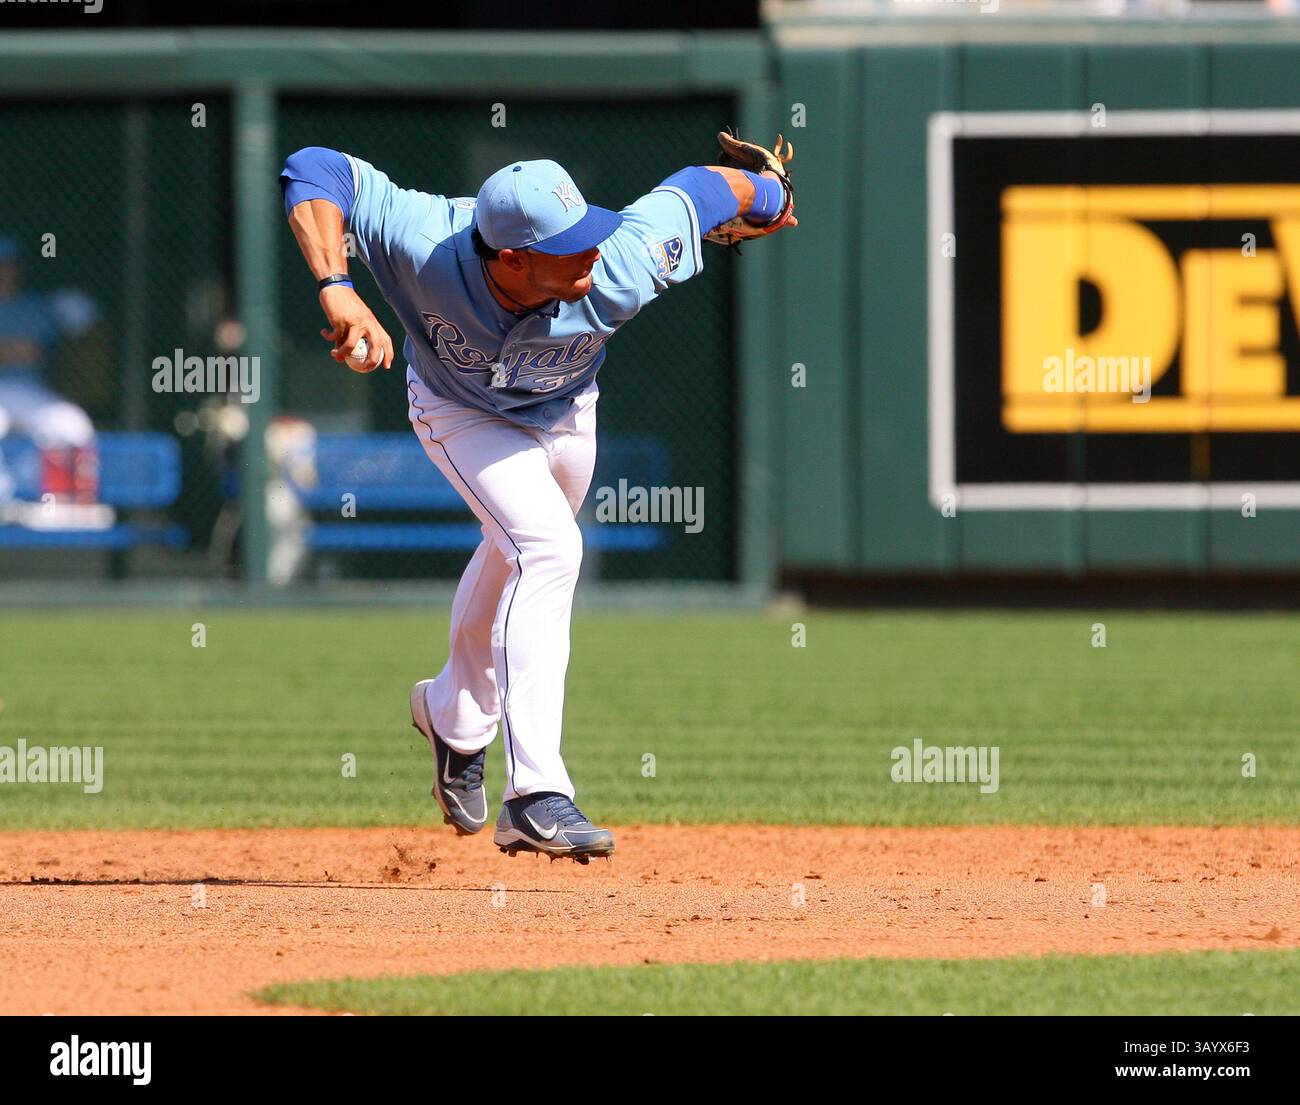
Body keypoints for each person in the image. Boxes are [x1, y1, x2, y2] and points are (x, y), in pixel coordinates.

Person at [280, 140, 794, 862]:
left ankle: (452, 715)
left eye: (588, 229)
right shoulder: (422, 241)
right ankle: (535, 796)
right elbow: (314, 167)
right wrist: (335, 282)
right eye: (568, 244)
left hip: (566, 413)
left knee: (516, 549)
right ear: (512, 259)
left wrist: (773, 198)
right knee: (548, 546)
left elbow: (705, 188)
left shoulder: (626, 253)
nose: (591, 249)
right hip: (461, 413)